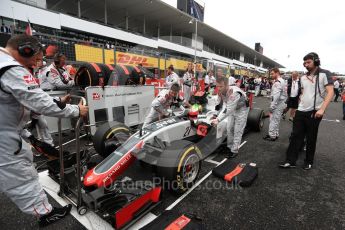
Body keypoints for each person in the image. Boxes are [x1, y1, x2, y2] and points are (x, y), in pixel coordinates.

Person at [0, 34, 88, 227]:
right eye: (36, 57)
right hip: (5, 137)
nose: (37, 62)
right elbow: (38, 101)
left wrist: (56, 103)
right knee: (22, 175)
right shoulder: (10, 68)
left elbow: (22, 101)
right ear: (25, 49)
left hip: (9, 129)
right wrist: (76, 110)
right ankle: (45, 213)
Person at [279, 52, 334, 170]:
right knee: (295, 136)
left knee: (311, 137)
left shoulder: (325, 73)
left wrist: (322, 109)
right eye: (304, 63)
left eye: (308, 62)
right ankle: (290, 160)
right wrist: (300, 103)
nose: (306, 65)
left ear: (316, 61)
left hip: (315, 111)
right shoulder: (303, 77)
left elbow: (330, 92)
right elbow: (304, 92)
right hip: (301, 110)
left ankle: (309, 161)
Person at [211, 76, 249, 158]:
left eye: (221, 86)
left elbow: (228, 109)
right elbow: (221, 104)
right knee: (229, 128)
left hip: (242, 109)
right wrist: (215, 114)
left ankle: (234, 150)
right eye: (217, 86)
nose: (219, 88)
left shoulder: (233, 93)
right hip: (233, 108)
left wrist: (218, 119)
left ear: (227, 85)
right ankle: (229, 147)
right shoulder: (221, 92)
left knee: (237, 130)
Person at [263, 68, 287, 141]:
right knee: (276, 120)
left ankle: (272, 136)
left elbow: (275, 96)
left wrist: (272, 107)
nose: (271, 75)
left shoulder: (277, 82)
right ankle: (275, 134)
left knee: (273, 120)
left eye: (272, 73)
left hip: (277, 104)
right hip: (281, 103)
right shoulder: (283, 81)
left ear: (277, 73)